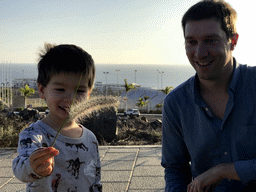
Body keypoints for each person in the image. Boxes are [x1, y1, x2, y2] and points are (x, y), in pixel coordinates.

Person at [161, 0, 256, 191]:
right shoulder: (175, 103)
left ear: (233, 41)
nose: (199, 52)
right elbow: (175, 168)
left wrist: (222, 170)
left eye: (210, 40)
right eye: (192, 42)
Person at [12, 43, 102, 192]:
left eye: (79, 90)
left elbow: (95, 179)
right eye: (60, 89)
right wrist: (33, 166)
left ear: (89, 93)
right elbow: (20, 168)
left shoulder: (90, 139)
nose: (70, 99)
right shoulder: (34, 135)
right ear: (42, 90)